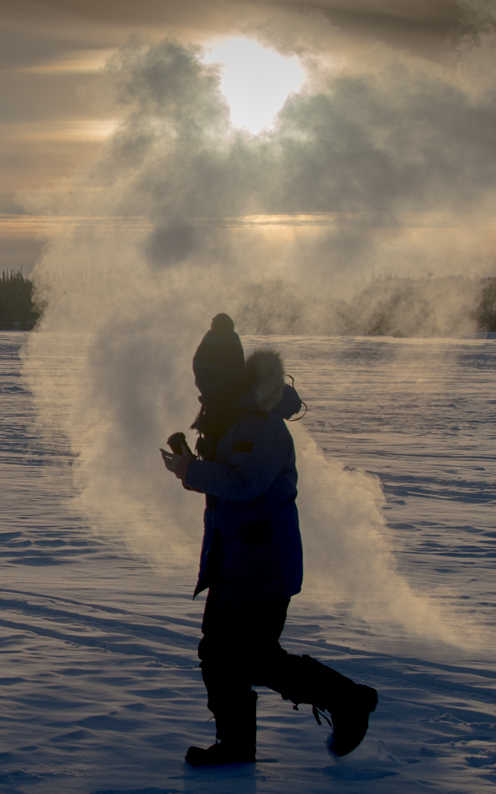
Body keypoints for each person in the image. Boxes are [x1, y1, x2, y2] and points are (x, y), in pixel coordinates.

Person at [160, 313, 377, 767]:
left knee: (252, 658)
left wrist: (190, 470)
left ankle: (348, 700)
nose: (200, 386)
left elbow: (245, 483)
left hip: (261, 565)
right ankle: (237, 745)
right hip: (232, 561)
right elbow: (227, 484)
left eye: (206, 376)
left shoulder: (260, 424)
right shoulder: (228, 417)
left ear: (223, 374)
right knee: (221, 656)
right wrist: (189, 464)